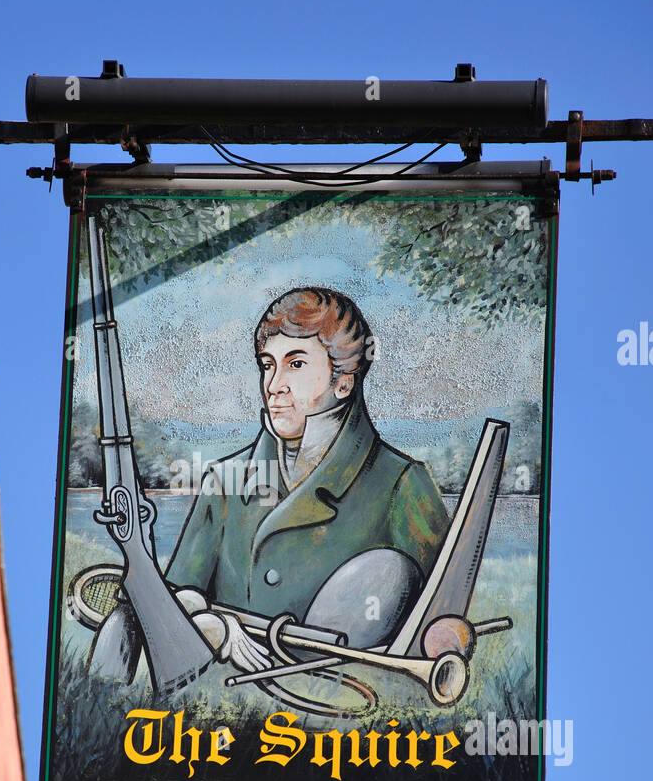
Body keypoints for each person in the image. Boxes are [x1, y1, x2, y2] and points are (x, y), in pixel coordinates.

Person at [164, 287, 449, 670]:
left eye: (295, 364)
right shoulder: (224, 482)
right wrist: (212, 629)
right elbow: (170, 606)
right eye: (268, 364)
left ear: (343, 381)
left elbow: (438, 623)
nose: (273, 384)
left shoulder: (402, 483)